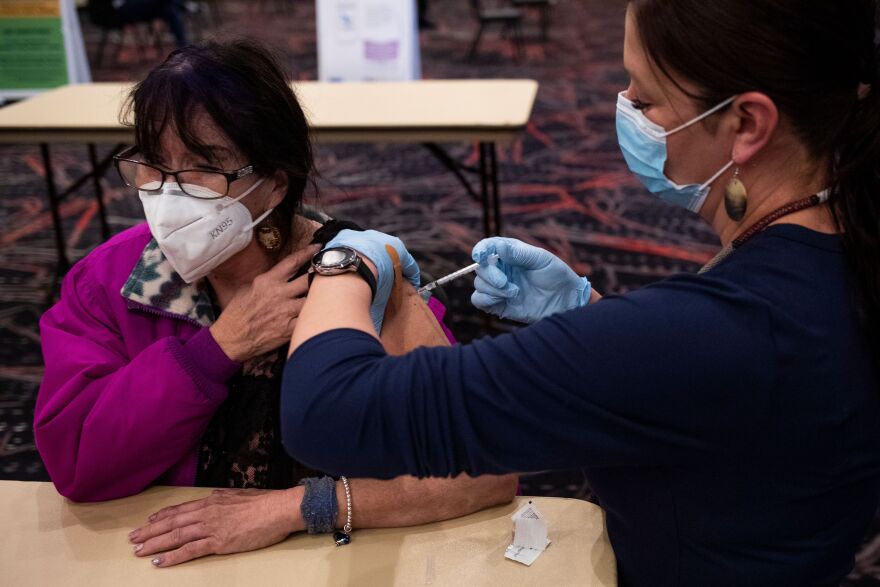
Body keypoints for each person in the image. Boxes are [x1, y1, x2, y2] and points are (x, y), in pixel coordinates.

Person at [280, 1, 880, 585]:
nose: (625, 111)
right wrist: (587, 315)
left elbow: (329, 413)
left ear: (747, 123)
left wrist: (345, 259)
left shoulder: (725, 333)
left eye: (645, 100)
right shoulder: (843, 245)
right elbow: (723, 405)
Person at [34, 41, 516, 567]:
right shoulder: (111, 279)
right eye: (154, 166)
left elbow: (479, 471)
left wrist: (297, 507)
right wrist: (213, 353)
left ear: (274, 184)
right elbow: (77, 461)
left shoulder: (353, 275)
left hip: (332, 564)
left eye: (204, 167)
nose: (169, 194)